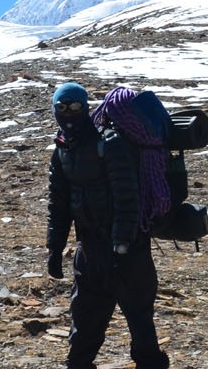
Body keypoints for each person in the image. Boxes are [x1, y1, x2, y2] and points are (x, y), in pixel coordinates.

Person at [45, 83, 169, 369]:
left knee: (139, 318)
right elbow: (58, 203)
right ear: (54, 110)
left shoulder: (110, 143)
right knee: (85, 316)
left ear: (85, 108)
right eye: (62, 107)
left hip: (128, 248)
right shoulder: (62, 148)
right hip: (89, 249)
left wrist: (122, 243)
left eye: (75, 106)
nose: (69, 113)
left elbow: (128, 197)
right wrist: (55, 247)